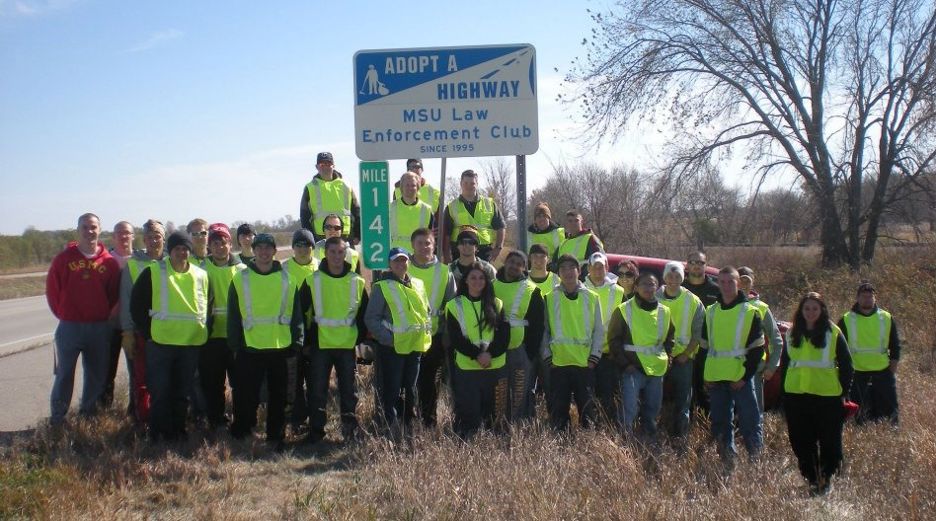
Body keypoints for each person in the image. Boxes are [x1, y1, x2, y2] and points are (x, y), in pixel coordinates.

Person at [129, 231, 211, 441]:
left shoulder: (200, 275)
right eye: (177, 249)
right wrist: (150, 333)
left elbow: (207, 306)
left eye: (185, 249)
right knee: (160, 391)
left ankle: (178, 430)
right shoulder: (153, 272)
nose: (181, 253)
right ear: (170, 250)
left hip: (190, 344)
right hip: (161, 343)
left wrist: (203, 330)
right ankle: (158, 434)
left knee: (182, 392)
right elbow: (137, 306)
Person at [228, 233, 304, 450]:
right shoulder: (240, 279)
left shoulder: (288, 279)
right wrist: (235, 344)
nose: (263, 252)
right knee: (245, 394)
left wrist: (297, 342)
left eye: (267, 248)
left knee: (278, 397)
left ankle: (275, 436)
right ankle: (242, 430)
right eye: (259, 248)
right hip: (249, 347)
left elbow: (296, 314)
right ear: (253, 250)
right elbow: (234, 315)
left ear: (274, 251)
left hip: (280, 347)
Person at [46, 213, 121, 426]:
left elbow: (113, 294)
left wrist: (102, 314)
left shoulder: (109, 262)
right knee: (64, 374)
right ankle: (58, 418)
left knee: (96, 375)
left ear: (100, 230)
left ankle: (88, 416)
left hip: (98, 328)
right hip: (69, 327)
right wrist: (64, 314)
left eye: (94, 227)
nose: (90, 231)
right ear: (78, 230)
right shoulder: (63, 259)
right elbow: (53, 291)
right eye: (85, 227)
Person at [782, 291, 853, 495]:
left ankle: (826, 477)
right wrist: (783, 395)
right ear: (801, 310)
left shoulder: (833, 332)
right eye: (807, 308)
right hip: (796, 396)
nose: (810, 312)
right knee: (800, 441)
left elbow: (847, 365)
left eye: (815, 308)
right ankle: (811, 478)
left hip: (827, 397)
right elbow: (786, 365)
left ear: (822, 310)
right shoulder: (791, 332)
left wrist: (844, 393)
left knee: (830, 441)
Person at [300, 236, 368, 443]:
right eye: (332, 252)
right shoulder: (313, 280)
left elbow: (363, 315)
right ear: (325, 253)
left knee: (349, 391)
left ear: (346, 254)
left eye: (341, 252)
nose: (337, 257)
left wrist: (360, 342)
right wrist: (306, 343)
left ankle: (349, 431)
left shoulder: (357, 282)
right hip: (321, 345)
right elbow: (302, 314)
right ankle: (316, 432)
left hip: (347, 346)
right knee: (317, 390)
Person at [700, 266, 765, 465]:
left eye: (731, 282)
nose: (727, 286)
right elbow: (704, 348)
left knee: (750, 421)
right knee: (720, 422)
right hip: (716, 377)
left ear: (739, 283)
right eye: (723, 282)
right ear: (718, 283)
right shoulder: (710, 312)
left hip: (740, 379)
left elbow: (757, 350)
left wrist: (744, 378)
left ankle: (756, 461)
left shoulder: (750, 312)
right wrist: (704, 376)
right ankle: (728, 460)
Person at [364, 247, 432, 437]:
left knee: (411, 389)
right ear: (390, 264)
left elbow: (425, 312)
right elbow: (371, 319)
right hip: (393, 348)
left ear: (408, 262)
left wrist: (426, 337)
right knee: (392, 390)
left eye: (403, 260)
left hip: (415, 347)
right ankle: (391, 428)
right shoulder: (382, 286)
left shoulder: (418, 284)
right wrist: (389, 339)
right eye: (396, 261)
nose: (400, 264)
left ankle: (410, 426)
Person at [608, 272, 674, 442]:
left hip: (656, 369)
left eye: (651, 284)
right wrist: (625, 365)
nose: (647, 288)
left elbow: (669, 340)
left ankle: (649, 441)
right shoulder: (624, 309)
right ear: (636, 287)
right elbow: (614, 340)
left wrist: (668, 359)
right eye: (643, 284)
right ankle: (624, 443)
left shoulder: (665, 312)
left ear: (657, 287)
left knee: (653, 409)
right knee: (629, 409)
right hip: (632, 369)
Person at [541, 254, 604, 431]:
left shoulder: (592, 297)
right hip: (558, 364)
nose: (567, 272)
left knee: (588, 409)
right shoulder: (550, 297)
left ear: (578, 271)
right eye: (563, 269)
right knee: (558, 410)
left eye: (571, 267)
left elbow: (598, 330)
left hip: (585, 363)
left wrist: (594, 357)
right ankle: (561, 446)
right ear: (559, 273)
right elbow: (544, 331)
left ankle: (588, 444)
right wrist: (547, 357)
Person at [448, 263, 511, 437]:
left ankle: (492, 444)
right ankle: (467, 443)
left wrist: (490, 354)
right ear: (465, 281)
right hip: (468, 367)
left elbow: (503, 335)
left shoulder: (497, 304)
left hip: (495, 365)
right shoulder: (454, 305)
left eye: (481, 278)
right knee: (469, 411)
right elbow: (456, 339)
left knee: (494, 412)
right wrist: (478, 355)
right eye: (473, 278)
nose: (477, 281)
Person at [408, 228, 457, 427]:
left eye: (427, 243)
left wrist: (446, 336)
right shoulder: (404, 267)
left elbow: (452, 306)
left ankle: (428, 422)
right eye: (419, 243)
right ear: (413, 245)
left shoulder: (444, 271)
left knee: (429, 383)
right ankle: (407, 421)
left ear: (434, 245)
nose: (424, 247)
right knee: (408, 383)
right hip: (407, 336)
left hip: (433, 336)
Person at [198, 223, 244, 428]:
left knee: (240, 383)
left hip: (236, 337)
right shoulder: (200, 270)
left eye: (223, 242)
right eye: (214, 243)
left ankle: (241, 419)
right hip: (210, 337)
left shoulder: (242, 270)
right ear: (209, 246)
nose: (219, 246)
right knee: (213, 384)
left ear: (230, 243)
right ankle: (216, 420)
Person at [119, 219, 165, 423]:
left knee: (164, 380)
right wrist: (127, 332)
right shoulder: (133, 265)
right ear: (144, 239)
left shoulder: (172, 262)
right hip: (141, 333)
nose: (154, 241)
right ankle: (140, 420)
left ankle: (163, 417)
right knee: (140, 380)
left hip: (167, 332)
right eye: (150, 237)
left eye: (158, 237)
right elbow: (126, 300)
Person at [839, 281, 901, 425]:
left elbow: (895, 347)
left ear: (875, 298)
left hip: (883, 373)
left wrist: (891, 372)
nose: (867, 299)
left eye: (870, 296)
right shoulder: (846, 319)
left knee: (889, 416)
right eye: (863, 296)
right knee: (859, 417)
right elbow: (839, 350)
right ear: (857, 298)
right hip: (857, 374)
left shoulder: (886, 317)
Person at [493, 250, 545, 421]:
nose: (514, 266)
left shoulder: (532, 290)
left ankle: (517, 428)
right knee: (499, 391)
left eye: (519, 264)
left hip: (521, 350)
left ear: (524, 268)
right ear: (505, 262)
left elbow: (538, 324)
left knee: (519, 393)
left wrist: (530, 352)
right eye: (512, 262)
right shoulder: (491, 286)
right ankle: (498, 426)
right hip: (496, 349)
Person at [656, 262, 704, 442]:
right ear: (665, 277)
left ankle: (680, 438)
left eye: (677, 277)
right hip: (658, 358)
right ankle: (654, 435)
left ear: (682, 278)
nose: (673, 280)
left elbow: (698, 333)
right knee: (655, 400)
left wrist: (686, 353)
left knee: (683, 402)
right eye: (670, 276)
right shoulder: (654, 296)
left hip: (683, 359)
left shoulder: (692, 300)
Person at [584, 252, 627, 428]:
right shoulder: (580, 289)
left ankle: (608, 430)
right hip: (585, 354)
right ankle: (588, 429)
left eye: (601, 266)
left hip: (609, 355)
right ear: (588, 269)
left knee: (608, 396)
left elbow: (625, 323)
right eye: (594, 266)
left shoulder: (618, 291)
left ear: (607, 268)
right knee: (587, 396)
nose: (598, 270)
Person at [737, 266, 784, 413]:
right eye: (740, 278)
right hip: (729, 369)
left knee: (754, 413)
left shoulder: (761, 308)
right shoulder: (724, 305)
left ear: (753, 282)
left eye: (747, 279)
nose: (743, 283)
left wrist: (771, 367)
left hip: (755, 370)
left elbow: (776, 340)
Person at [101, 220, 135, 408]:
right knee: (107, 372)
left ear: (133, 236)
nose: (124, 236)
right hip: (111, 325)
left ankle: (134, 411)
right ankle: (104, 412)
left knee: (136, 373)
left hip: (132, 325)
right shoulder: (106, 261)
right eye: (119, 233)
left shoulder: (139, 260)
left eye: (127, 232)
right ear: (113, 237)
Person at [442, 169, 505, 263]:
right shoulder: (451, 206)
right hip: (459, 252)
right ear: (461, 183)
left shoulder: (489, 204)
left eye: (472, 183)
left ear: (477, 184)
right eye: (466, 183)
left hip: (484, 252)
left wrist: (498, 248)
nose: (469, 186)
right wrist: (447, 255)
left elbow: (501, 227)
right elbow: (446, 233)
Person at [299, 151, 361, 243]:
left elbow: (356, 211)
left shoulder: (346, 185)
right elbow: (304, 216)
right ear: (317, 167)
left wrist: (358, 235)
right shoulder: (310, 187)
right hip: (320, 238)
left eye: (328, 164)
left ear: (333, 166)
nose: (325, 167)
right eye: (322, 164)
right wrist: (310, 238)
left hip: (345, 237)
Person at [389, 171, 434, 251]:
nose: (410, 188)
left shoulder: (427, 210)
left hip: (419, 256)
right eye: (407, 185)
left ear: (418, 187)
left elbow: (431, 238)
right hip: (396, 257)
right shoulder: (390, 208)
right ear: (401, 187)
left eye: (413, 185)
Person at [557, 210, 604, 275]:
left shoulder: (590, 239)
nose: (573, 223)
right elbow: (555, 264)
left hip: (584, 281)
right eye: (570, 221)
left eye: (576, 221)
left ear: (581, 222)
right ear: (566, 223)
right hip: (565, 281)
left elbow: (598, 262)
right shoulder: (563, 243)